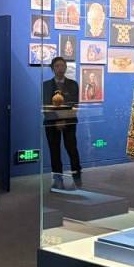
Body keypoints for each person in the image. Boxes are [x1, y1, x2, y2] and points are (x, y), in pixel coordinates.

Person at [43, 56, 82, 190]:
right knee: (54, 151)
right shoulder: (46, 85)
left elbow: (74, 105)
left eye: (62, 66)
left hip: (69, 122)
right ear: (52, 69)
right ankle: (58, 180)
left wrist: (63, 120)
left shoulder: (73, 84)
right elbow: (45, 105)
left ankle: (77, 179)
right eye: (57, 66)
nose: (60, 68)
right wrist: (57, 120)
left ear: (66, 67)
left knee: (72, 149)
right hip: (51, 123)